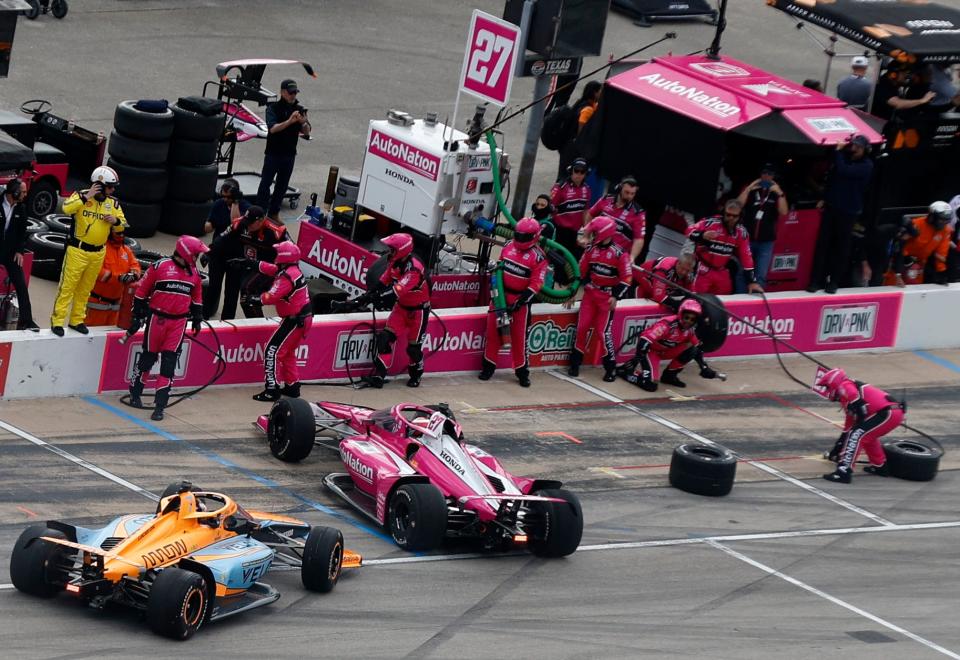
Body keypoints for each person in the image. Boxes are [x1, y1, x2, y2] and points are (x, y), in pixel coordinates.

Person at [127, 236, 207, 421]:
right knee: (148, 359)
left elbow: (197, 296)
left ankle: (160, 406)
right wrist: (137, 315)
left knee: (169, 364)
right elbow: (141, 291)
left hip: (178, 323)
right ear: (187, 253)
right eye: (195, 254)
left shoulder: (194, 272)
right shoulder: (160, 266)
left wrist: (197, 318)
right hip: (156, 319)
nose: (197, 257)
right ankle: (135, 393)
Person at [52, 166, 126, 336]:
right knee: (67, 287)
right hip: (77, 251)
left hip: (98, 253)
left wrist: (116, 221)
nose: (112, 190)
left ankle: (77, 320)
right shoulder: (80, 195)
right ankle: (57, 321)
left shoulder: (113, 203)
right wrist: (86, 197)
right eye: (109, 186)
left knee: (85, 289)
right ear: (99, 185)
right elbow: (66, 208)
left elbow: (123, 225)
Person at [236, 241, 312, 402]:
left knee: (271, 350)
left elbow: (270, 296)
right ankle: (292, 387)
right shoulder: (291, 270)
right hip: (302, 318)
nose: (276, 256)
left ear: (284, 257)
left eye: (279, 254)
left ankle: (272, 389)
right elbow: (271, 269)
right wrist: (250, 263)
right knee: (287, 353)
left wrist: (253, 299)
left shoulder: (286, 277)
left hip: (294, 320)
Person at [479, 218, 548, 387]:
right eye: (517, 235)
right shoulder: (509, 244)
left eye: (523, 237)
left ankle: (522, 372)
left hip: (520, 302)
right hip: (500, 297)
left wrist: (520, 302)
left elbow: (536, 284)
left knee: (518, 339)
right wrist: (495, 292)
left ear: (533, 237)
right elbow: (500, 267)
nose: (519, 239)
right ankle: (488, 368)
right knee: (492, 334)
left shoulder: (539, 257)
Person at [566, 216, 631, 382]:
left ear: (604, 233)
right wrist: (572, 292)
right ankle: (575, 363)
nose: (592, 235)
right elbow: (579, 272)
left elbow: (627, 279)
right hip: (590, 294)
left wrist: (616, 296)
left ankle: (610, 368)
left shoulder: (620, 254)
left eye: (595, 232)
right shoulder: (590, 250)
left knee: (603, 333)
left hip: (607, 298)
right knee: (582, 328)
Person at [807, 135, 874, 294]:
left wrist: (838, 152)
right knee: (823, 245)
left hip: (849, 211)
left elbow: (845, 171)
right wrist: (824, 198)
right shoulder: (844, 158)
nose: (854, 149)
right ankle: (816, 280)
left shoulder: (866, 165)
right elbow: (833, 180)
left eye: (858, 147)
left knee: (841, 248)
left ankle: (834, 281)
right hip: (831, 207)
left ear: (865, 150)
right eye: (853, 145)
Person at [818, 368, 905, 484]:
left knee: (857, 435)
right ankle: (880, 466)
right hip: (891, 412)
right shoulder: (846, 399)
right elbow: (848, 428)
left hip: (888, 413)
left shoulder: (844, 385)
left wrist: (858, 406)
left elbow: (855, 398)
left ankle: (844, 471)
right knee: (864, 436)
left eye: (827, 387)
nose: (827, 390)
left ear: (833, 382)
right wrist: (837, 448)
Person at [367, 233, 431, 389]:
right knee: (384, 339)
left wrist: (377, 298)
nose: (390, 252)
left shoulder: (414, 269)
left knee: (413, 349)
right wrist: (364, 297)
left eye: (392, 249)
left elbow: (395, 292)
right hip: (401, 308)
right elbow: (382, 282)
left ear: (401, 250)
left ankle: (416, 375)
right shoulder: (393, 262)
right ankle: (379, 376)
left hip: (418, 312)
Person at [618, 298, 719, 391]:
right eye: (686, 317)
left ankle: (669, 376)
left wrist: (704, 367)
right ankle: (626, 372)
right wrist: (638, 357)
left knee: (692, 348)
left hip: (666, 351)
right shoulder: (667, 325)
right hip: (651, 352)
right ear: (680, 314)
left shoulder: (691, 330)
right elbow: (644, 340)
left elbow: (698, 348)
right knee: (650, 385)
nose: (688, 321)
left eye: (692, 319)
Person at [209, 205, 289, 319]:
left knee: (248, 292)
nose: (248, 225)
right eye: (247, 221)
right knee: (245, 299)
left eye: (251, 222)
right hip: (249, 265)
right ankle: (255, 323)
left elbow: (293, 252)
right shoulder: (241, 223)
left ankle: (260, 326)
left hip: (270, 268)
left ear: (261, 220)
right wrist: (209, 251)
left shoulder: (277, 232)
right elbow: (222, 238)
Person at [256, 79, 311, 221]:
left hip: (289, 154)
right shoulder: (273, 108)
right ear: (283, 92)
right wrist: (289, 122)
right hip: (273, 153)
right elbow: (273, 129)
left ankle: (274, 213)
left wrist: (303, 122)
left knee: (282, 186)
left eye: (295, 92)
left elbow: (307, 132)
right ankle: (260, 213)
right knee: (265, 184)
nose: (293, 95)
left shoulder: (299, 109)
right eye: (290, 92)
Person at [686, 200, 764, 295]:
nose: (730, 218)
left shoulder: (741, 233)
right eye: (728, 215)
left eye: (734, 216)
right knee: (696, 300)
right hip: (702, 269)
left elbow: (747, 258)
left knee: (724, 301)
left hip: (721, 271)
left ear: (740, 216)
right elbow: (689, 231)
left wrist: (752, 282)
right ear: (723, 213)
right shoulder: (710, 223)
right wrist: (702, 235)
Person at [736, 164, 789, 290]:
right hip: (747, 240)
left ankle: (756, 304)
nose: (766, 176)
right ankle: (739, 298)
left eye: (770, 174)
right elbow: (737, 205)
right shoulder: (752, 189)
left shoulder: (777, 194)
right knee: (742, 272)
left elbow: (784, 212)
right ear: (760, 174)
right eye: (764, 173)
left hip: (766, 242)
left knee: (760, 275)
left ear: (773, 176)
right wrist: (749, 188)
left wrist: (780, 193)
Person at [203, 178, 250, 319]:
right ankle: (205, 316)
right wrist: (208, 225)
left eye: (228, 197)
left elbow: (235, 223)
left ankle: (227, 320)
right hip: (218, 253)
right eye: (223, 196)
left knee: (232, 292)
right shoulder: (219, 204)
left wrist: (235, 202)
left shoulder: (246, 207)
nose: (225, 200)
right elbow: (209, 224)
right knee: (213, 287)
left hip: (236, 256)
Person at [0, 178, 39, 330]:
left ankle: (27, 321)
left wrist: (20, 251)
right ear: (14, 192)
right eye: (22, 192)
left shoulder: (21, 209)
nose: (25, 194)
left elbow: (22, 232)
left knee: (21, 285)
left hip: (10, 253)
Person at [885, 201, 952, 286]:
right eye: (941, 219)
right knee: (893, 288)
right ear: (932, 217)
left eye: (946, 220)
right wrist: (900, 269)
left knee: (915, 289)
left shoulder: (946, 231)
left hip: (919, 267)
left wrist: (941, 272)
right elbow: (898, 245)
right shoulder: (916, 225)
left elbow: (941, 255)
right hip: (901, 262)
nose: (943, 223)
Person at [85, 229, 142, 327]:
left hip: (116, 307)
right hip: (96, 305)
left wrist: (133, 274)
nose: (121, 235)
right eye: (118, 233)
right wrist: (118, 278)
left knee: (110, 339)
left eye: (123, 233)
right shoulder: (100, 249)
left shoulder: (126, 250)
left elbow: (135, 266)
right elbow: (94, 271)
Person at [588, 176, 646, 262]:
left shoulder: (638, 213)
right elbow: (590, 214)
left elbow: (639, 239)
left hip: (616, 258)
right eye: (626, 192)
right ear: (620, 188)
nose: (629, 196)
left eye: (632, 193)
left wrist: (632, 257)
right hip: (595, 250)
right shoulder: (606, 199)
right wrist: (587, 235)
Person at [557, 81, 601, 178]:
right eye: (600, 91)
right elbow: (581, 129)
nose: (601, 94)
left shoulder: (581, 102)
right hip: (573, 147)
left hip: (566, 144)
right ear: (594, 92)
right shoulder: (587, 109)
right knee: (567, 175)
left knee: (564, 172)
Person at [550, 157, 591, 259]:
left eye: (582, 172)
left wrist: (586, 233)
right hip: (559, 232)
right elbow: (550, 208)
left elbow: (585, 211)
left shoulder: (587, 189)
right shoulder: (560, 187)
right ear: (571, 170)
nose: (579, 174)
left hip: (575, 233)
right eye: (576, 171)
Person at [870, 64, 936, 121]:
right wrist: (922, 100)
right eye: (904, 73)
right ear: (894, 75)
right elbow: (898, 104)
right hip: (877, 124)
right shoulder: (883, 87)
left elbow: (908, 83)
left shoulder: (894, 83)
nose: (907, 76)